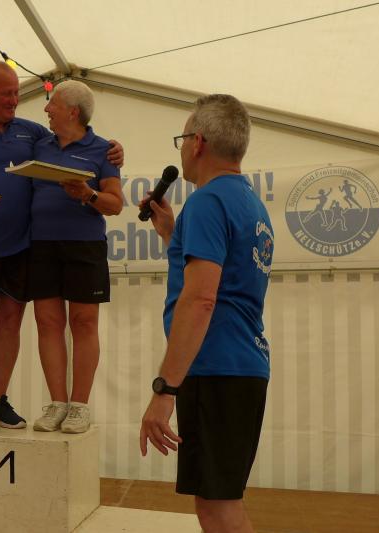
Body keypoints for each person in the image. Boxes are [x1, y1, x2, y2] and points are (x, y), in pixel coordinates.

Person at [0, 62, 123, 433]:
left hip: (23, 246)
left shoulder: (31, 133)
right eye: (7, 94)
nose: (15, 101)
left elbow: (76, 140)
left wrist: (113, 150)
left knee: (11, 322)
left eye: (17, 93)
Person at [139, 94, 273, 533]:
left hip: (216, 368)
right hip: (242, 365)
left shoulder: (207, 201)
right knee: (222, 503)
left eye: (182, 139)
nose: (181, 149)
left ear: (197, 143)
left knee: (217, 510)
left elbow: (201, 300)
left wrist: (164, 390)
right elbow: (227, 282)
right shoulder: (250, 203)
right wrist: (172, 234)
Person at [28, 80, 124, 434]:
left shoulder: (104, 150)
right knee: (47, 323)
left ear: (72, 111)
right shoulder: (40, 144)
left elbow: (115, 204)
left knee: (83, 323)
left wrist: (87, 194)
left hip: (85, 245)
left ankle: (79, 406)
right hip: (41, 244)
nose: (46, 109)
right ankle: (57, 403)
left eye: (52, 104)